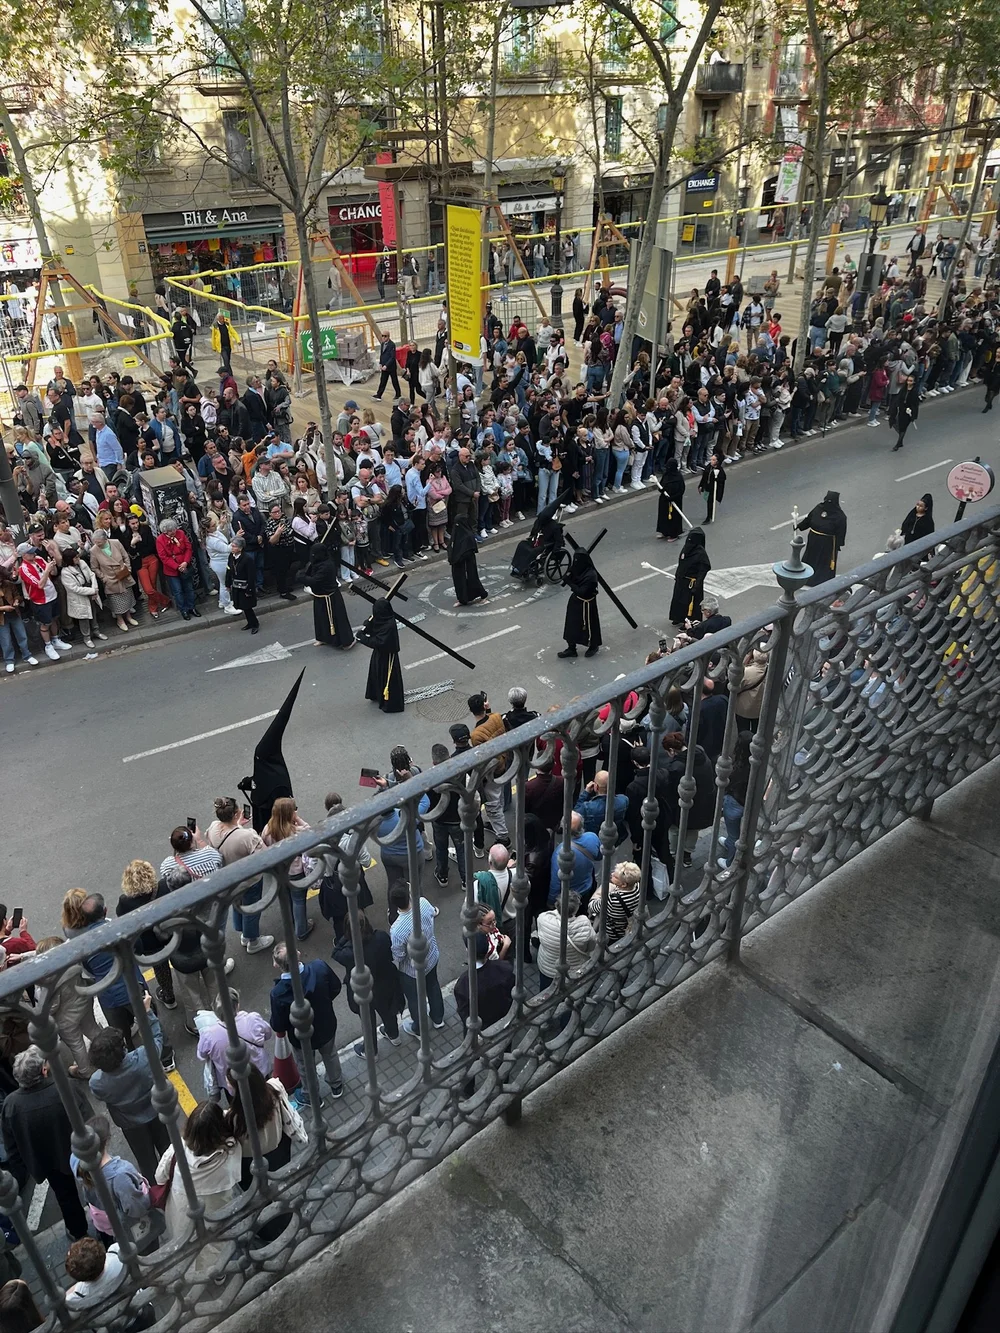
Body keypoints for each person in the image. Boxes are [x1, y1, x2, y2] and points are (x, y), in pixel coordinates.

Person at [1, 1047, 89, 1239]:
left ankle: (78, 1232)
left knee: (66, 1198)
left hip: (48, 1161)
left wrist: (22, 1169)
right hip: (79, 1152)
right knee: (94, 1188)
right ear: (43, 1071)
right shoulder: (65, 1088)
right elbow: (88, 1120)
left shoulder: (11, 1105)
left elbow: (12, 1146)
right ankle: (106, 1229)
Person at [155, 1100, 242, 1271]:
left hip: (181, 1208)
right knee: (214, 1246)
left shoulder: (177, 1151)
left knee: (187, 1244)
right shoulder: (228, 1155)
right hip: (215, 1209)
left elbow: (159, 1176)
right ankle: (218, 1273)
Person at [88, 1013, 173, 1181]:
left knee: (146, 1160)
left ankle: (156, 1188)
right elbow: (156, 1037)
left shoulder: (97, 1082)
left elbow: (99, 1096)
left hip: (129, 1123)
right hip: (155, 1109)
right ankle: (174, 1176)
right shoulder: (143, 1056)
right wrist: (147, 1013)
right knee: (167, 1149)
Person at [268, 943, 344, 1103]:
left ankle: (312, 1096)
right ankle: (336, 1085)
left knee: (305, 1065)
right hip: (325, 1026)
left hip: (301, 1037)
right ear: (299, 953)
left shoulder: (278, 993)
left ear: (276, 965)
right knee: (330, 1054)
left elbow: (278, 1025)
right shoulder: (319, 967)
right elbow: (336, 987)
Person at [204, 796, 274, 955]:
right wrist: (242, 829)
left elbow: (216, 837)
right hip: (249, 879)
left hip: (229, 879)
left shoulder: (214, 827)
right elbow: (264, 855)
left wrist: (237, 825)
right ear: (236, 813)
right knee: (251, 908)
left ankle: (243, 932)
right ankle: (253, 940)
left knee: (237, 903)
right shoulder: (247, 836)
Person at [225, 1064, 307, 1197]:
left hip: (250, 1160)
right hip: (279, 1146)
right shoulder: (273, 1090)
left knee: (258, 1192)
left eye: (230, 1083)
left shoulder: (232, 1117)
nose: (227, 1084)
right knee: (281, 1178)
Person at [69, 1114, 151, 1245]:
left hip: (103, 1224)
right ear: (107, 1141)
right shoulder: (120, 1175)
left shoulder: (77, 1160)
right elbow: (136, 1207)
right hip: (127, 1229)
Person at [332, 912, 405, 1057]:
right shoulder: (382, 937)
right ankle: (394, 1035)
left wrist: (347, 936)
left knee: (367, 1020)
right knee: (388, 1011)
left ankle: (371, 1051)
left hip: (363, 989)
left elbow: (335, 952)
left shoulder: (349, 952)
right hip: (384, 983)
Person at [388, 882, 445, 1037]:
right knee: (433, 986)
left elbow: (398, 955)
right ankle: (438, 1018)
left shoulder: (397, 929)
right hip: (432, 956)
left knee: (415, 999)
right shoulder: (423, 903)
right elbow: (434, 912)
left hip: (411, 970)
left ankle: (419, 1028)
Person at [197, 989, 273, 1099]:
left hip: (232, 1084)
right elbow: (268, 1034)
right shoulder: (252, 1020)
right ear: (237, 1005)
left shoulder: (209, 1035)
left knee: (239, 1109)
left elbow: (201, 1055)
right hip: (260, 1074)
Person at [535, 891, 597, 989]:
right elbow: (592, 945)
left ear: (557, 904)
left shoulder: (543, 918)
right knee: (571, 994)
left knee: (546, 993)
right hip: (573, 969)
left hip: (547, 967)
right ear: (576, 908)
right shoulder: (584, 924)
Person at [359, 597, 404, 713]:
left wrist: (362, 638)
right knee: (376, 673)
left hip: (388, 656)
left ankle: (390, 704)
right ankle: (377, 694)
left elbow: (379, 642)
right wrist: (367, 624)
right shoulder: (382, 619)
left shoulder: (389, 625)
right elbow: (375, 629)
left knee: (386, 677)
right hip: (380, 654)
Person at [558, 548, 602, 659]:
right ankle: (571, 648)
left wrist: (569, 582)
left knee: (590, 625)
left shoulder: (591, 576)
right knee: (571, 624)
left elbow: (582, 591)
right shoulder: (578, 568)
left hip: (587, 604)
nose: (575, 562)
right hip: (575, 601)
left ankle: (593, 645)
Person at [797, 491, 847, 585]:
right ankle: (806, 576)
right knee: (811, 558)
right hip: (813, 538)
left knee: (823, 561)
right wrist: (800, 526)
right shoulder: (818, 508)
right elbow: (809, 519)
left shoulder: (840, 516)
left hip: (827, 542)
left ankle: (819, 580)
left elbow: (841, 531)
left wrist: (838, 544)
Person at [154, 518, 198, 621]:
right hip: (172, 570)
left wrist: (185, 562)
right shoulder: (160, 540)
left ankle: (192, 607)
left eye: (174, 529)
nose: (173, 532)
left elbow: (188, 548)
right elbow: (163, 557)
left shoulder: (181, 533)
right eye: (170, 531)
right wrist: (177, 567)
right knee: (178, 591)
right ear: (165, 531)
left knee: (189, 588)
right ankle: (183, 610)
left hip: (184, 565)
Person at [587, 860, 641, 942]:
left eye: (615, 877)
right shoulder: (637, 887)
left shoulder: (613, 899)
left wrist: (598, 894)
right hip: (625, 927)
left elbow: (592, 906)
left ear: (623, 885)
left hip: (611, 933)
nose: (611, 875)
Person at [669, 527, 711, 625]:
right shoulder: (687, 548)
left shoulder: (700, 553)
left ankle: (689, 622)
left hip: (691, 583)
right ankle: (677, 617)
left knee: (689, 603)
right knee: (678, 600)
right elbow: (681, 563)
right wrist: (678, 574)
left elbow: (704, 568)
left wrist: (698, 583)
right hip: (681, 580)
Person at [448, 514, 489, 607]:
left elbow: (469, 550)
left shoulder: (468, 536)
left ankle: (483, 595)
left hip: (467, 563)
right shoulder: (456, 533)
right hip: (457, 563)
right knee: (459, 581)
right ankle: (462, 599)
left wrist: (458, 556)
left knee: (472, 579)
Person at [226, 535, 259, 634]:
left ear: (240, 548)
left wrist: (249, 589)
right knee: (243, 606)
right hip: (237, 586)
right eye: (232, 546)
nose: (232, 548)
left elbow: (251, 575)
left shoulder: (247, 559)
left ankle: (255, 624)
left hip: (246, 586)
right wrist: (227, 584)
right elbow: (228, 570)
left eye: (234, 546)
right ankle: (250, 622)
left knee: (248, 606)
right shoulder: (231, 557)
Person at [656, 456, 685, 541]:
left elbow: (681, 490)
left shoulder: (678, 477)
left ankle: (674, 534)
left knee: (674, 518)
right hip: (664, 500)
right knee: (663, 516)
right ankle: (664, 531)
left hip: (674, 501)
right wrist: (661, 490)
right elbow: (661, 485)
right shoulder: (666, 474)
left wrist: (673, 497)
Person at [892, 374, 920, 452]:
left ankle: (898, 444)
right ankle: (900, 441)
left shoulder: (914, 391)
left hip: (908, 413)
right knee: (895, 423)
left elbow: (915, 403)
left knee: (903, 428)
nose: (908, 382)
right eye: (908, 380)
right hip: (902, 410)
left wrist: (911, 411)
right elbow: (900, 398)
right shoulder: (903, 389)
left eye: (911, 381)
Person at [373, 332, 402, 400]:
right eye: (382, 336)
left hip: (391, 367)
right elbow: (382, 354)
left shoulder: (392, 345)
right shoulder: (383, 344)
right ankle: (379, 394)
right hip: (384, 367)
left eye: (385, 336)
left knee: (394, 381)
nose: (383, 337)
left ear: (388, 337)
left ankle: (398, 393)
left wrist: (386, 365)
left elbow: (392, 357)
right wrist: (381, 363)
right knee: (383, 381)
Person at [699, 452, 726, 524]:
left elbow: (722, 480)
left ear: (717, 461)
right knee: (708, 501)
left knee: (710, 502)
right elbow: (704, 477)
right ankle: (709, 515)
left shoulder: (720, 470)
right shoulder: (708, 467)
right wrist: (701, 485)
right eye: (711, 459)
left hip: (713, 489)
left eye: (713, 460)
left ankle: (708, 517)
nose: (711, 461)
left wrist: (717, 479)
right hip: (708, 487)